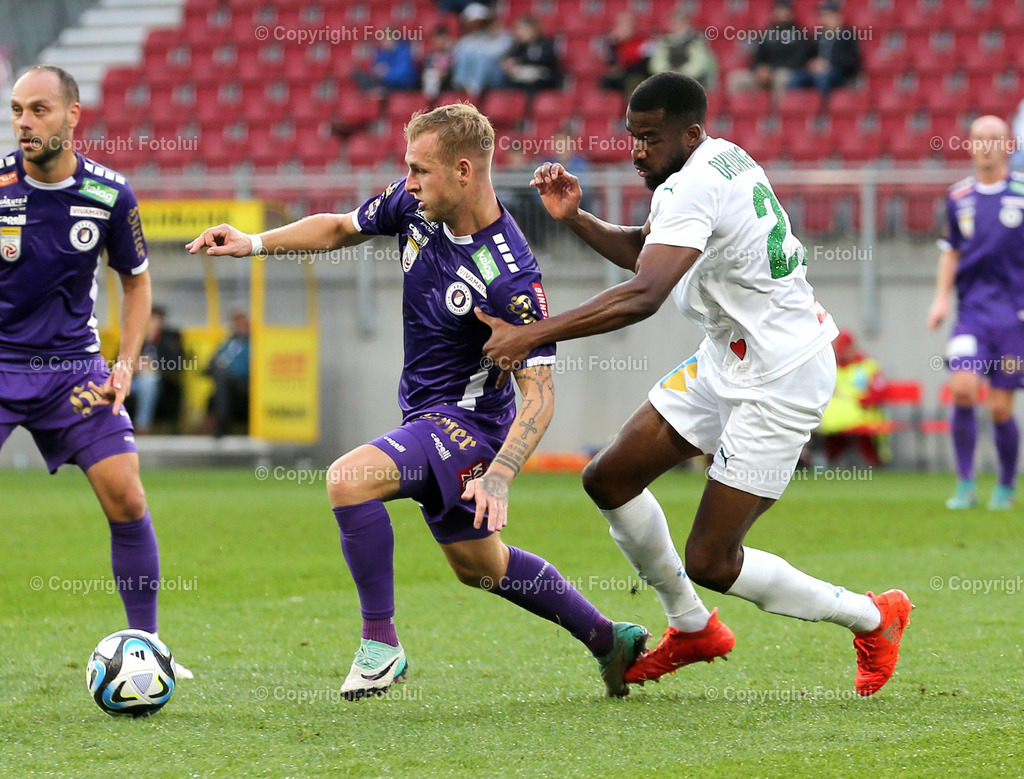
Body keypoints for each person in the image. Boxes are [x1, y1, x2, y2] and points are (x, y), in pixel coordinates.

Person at [186, 103, 647, 700]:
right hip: (425, 418)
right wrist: (251, 243)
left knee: (348, 480)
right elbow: (338, 227)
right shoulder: (415, 206)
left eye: (418, 170)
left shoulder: (510, 276)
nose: (407, 182)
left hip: (469, 428)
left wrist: (501, 475)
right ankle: (609, 639)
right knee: (482, 568)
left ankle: (381, 645)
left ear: (462, 171)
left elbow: (540, 395)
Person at [478, 73, 911, 696]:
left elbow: (645, 294)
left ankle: (873, 617)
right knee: (609, 476)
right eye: (631, 136)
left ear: (690, 131)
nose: (636, 151)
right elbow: (653, 255)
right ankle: (691, 628)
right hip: (727, 358)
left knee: (712, 560)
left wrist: (531, 333)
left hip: (781, 374)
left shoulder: (692, 183)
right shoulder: (714, 161)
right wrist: (576, 218)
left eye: (650, 138)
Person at [0, 65, 189, 676]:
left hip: (73, 374)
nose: (24, 123)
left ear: (72, 116)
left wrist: (125, 365)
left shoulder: (110, 193)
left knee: (128, 497)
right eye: (17, 110)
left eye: (39, 110)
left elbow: (135, 281)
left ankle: (149, 648)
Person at [927, 115, 1023, 510]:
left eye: (994, 138)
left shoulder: (1021, 193)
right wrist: (940, 298)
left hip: (1015, 317)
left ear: (1008, 146)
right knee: (964, 388)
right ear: (969, 145)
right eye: (979, 138)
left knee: (1000, 406)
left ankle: (1004, 484)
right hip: (972, 315)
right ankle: (965, 483)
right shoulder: (958, 196)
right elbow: (951, 252)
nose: (985, 145)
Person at [815, 330, 889, 467]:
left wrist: (864, 401)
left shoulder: (867, 365)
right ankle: (829, 460)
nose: (842, 353)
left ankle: (872, 461)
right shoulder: (832, 367)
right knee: (831, 427)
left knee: (858, 431)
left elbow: (879, 391)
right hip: (837, 416)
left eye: (845, 349)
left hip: (864, 412)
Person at [726, 0, 812, 100]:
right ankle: (740, 113)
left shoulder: (799, 34)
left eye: (785, 10)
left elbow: (798, 61)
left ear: (791, 13)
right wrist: (759, 69)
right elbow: (757, 57)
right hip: (764, 75)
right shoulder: (767, 33)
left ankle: (777, 114)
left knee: (782, 77)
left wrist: (771, 70)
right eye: (779, 10)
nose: (782, 13)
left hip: (782, 73)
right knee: (735, 78)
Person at [129, 305, 185, 434]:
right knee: (116, 384)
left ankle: (143, 426)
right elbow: (118, 360)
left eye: (156, 320)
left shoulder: (170, 338)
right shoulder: (135, 337)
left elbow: (177, 362)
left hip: (159, 381)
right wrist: (133, 365)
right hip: (133, 379)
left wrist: (153, 365)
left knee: (147, 381)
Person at [788, 2, 861, 96]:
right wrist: (811, 63)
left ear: (838, 17)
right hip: (816, 72)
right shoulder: (817, 36)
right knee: (796, 78)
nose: (825, 19)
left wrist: (829, 64)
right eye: (823, 16)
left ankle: (823, 109)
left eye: (829, 16)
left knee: (822, 78)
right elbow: (805, 55)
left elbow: (852, 61)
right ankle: (796, 108)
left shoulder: (847, 36)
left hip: (838, 73)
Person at [647, 9, 718, 90]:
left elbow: (699, 63)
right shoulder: (664, 42)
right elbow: (657, 63)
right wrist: (669, 72)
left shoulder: (696, 40)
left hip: (692, 81)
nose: (678, 25)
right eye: (675, 22)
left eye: (681, 22)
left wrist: (683, 73)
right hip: (668, 80)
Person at [450, 4, 511, 98]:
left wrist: (495, 36)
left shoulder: (505, 38)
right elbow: (459, 51)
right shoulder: (475, 39)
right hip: (476, 75)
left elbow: (496, 53)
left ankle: (475, 88)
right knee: (465, 53)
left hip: (498, 76)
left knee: (481, 56)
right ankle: (460, 83)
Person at [206, 309, 250, 438]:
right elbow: (214, 360)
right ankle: (218, 423)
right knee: (220, 383)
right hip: (225, 380)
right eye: (236, 322)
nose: (239, 325)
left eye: (242, 322)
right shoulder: (229, 342)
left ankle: (222, 423)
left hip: (243, 383)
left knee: (222, 382)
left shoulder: (252, 343)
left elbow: (245, 367)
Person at [501, 15, 562, 94]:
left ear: (534, 29)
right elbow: (510, 59)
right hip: (521, 79)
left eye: (523, 29)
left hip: (542, 83)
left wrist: (520, 61)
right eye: (517, 29)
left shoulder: (546, 44)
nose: (519, 32)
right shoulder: (518, 46)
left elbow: (547, 63)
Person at [600, 12, 652, 96]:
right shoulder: (613, 43)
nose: (625, 28)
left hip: (635, 75)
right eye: (621, 25)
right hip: (619, 76)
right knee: (605, 81)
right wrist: (612, 44)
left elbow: (642, 63)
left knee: (633, 81)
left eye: (628, 25)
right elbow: (609, 62)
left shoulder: (643, 43)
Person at [354, 30, 420, 94]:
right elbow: (375, 68)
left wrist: (386, 73)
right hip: (385, 83)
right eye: (383, 39)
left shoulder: (404, 51)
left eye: (387, 39)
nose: (384, 42)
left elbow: (404, 74)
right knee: (358, 74)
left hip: (403, 86)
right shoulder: (381, 51)